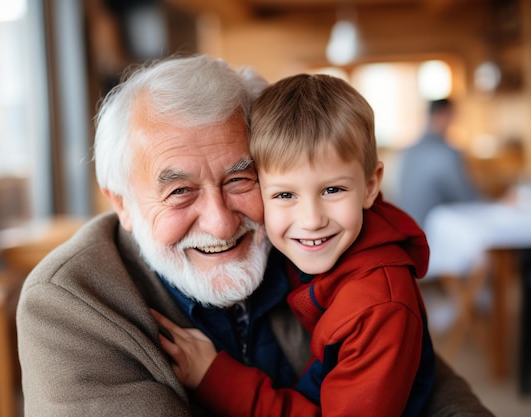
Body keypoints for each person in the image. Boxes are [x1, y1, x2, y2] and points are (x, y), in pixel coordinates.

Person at [15, 54, 495, 417]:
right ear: (122, 202)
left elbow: (421, 380)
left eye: (239, 180)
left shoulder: (312, 250)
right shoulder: (68, 304)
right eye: (180, 191)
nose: (222, 223)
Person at [155, 73, 434, 417]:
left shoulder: (379, 309)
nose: (311, 219)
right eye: (285, 195)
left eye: (332, 190)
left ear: (370, 186)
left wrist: (216, 377)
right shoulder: (309, 248)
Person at [397, 98, 481, 229]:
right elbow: (466, 197)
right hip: (434, 234)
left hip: (407, 231)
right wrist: (498, 204)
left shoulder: (407, 153)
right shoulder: (446, 154)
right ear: (445, 115)